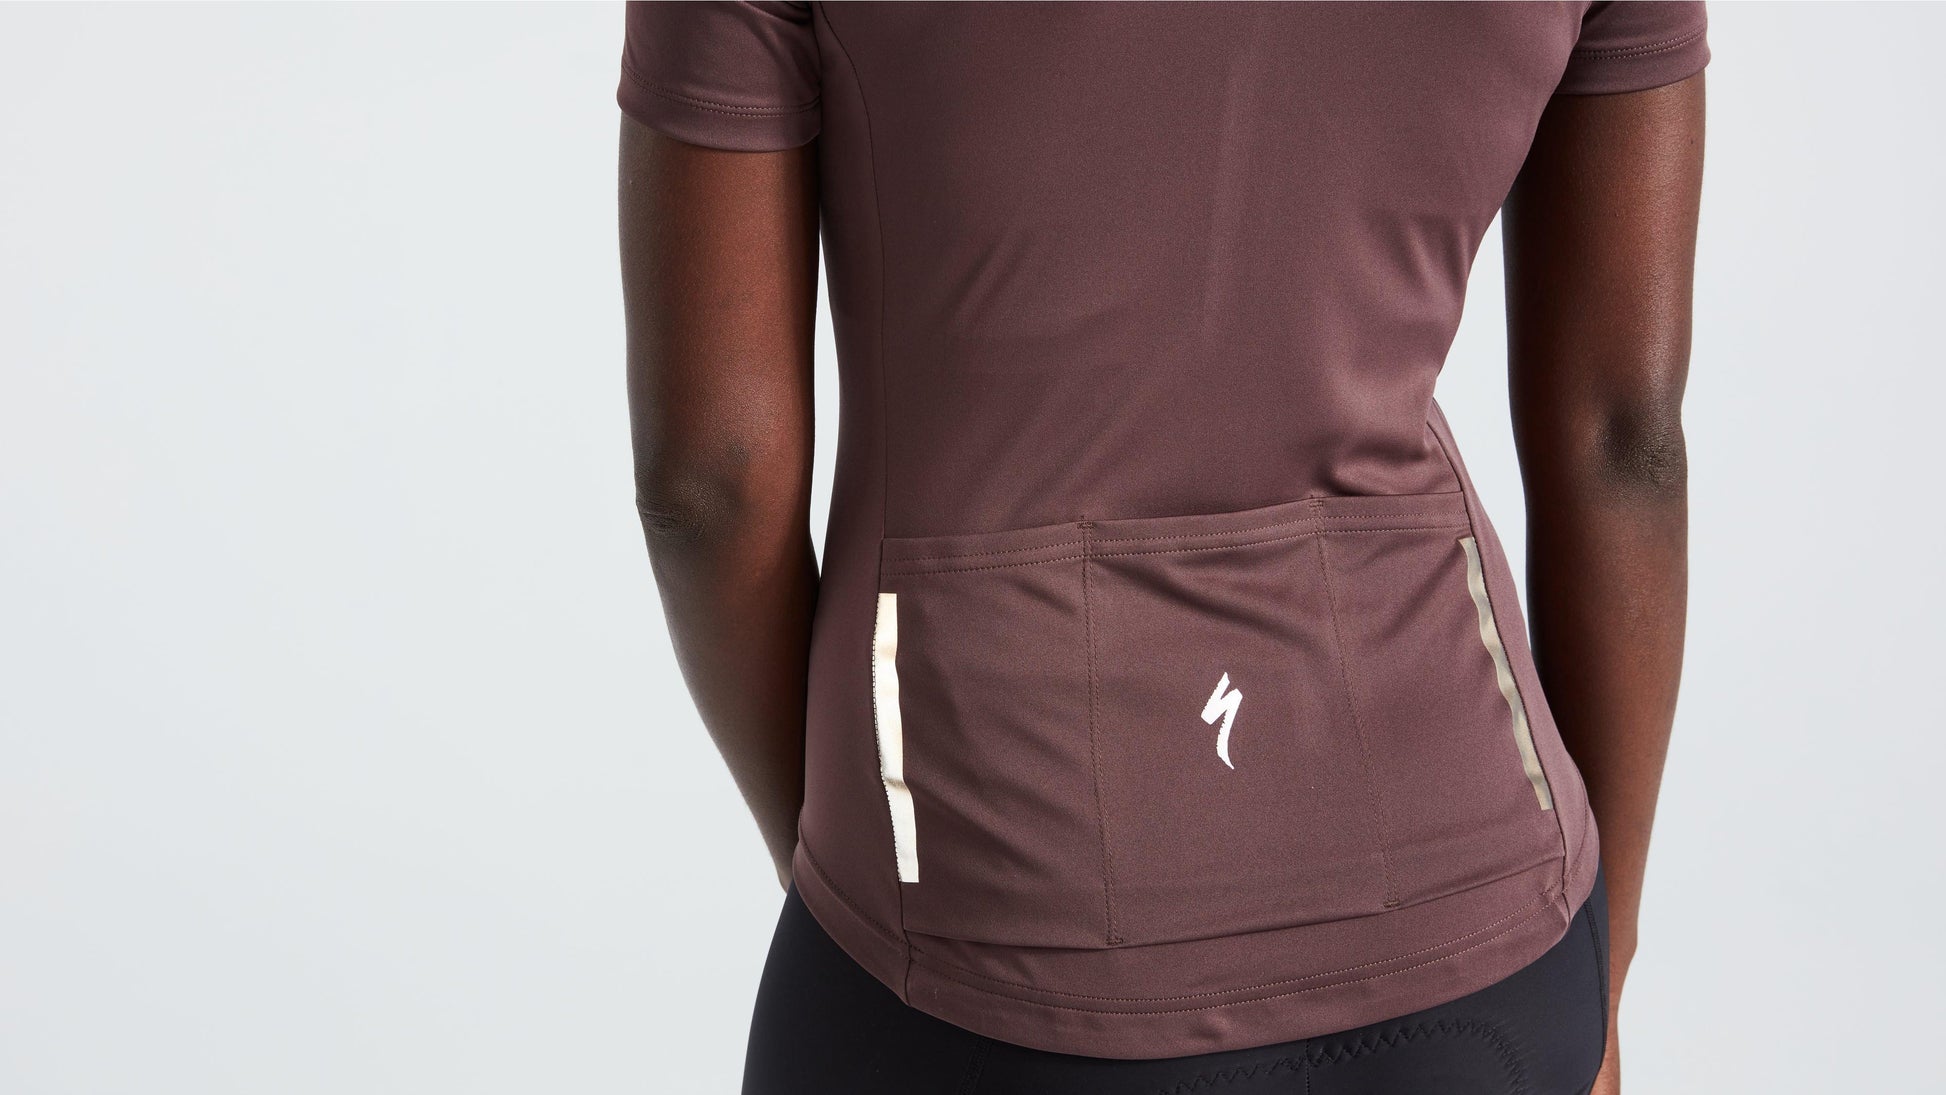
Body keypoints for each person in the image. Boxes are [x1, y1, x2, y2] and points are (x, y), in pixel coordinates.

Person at [615, 3, 1704, 1092]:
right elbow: (1624, 442)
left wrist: (844, 847)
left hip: (986, 896)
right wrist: (1600, 967)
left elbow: (709, 487)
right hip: (1485, 920)